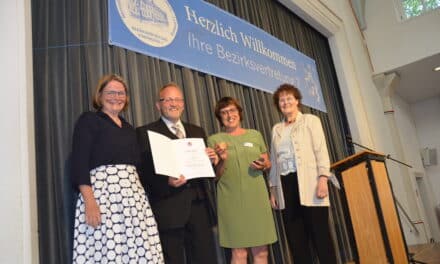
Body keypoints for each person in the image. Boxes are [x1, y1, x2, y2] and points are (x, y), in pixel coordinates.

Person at [71, 74, 164, 263]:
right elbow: (79, 163)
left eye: (120, 93)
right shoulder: (89, 120)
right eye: (110, 92)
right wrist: (90, 202)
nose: (116, 97)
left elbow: (138, 167)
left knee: (138, 250)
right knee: (108, 249)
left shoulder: (129, 129)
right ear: (100, 95)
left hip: (134, 199)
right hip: (103, 197)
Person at [136, 82, 219, 264]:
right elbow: (142, 173)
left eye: (178, 100)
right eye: (168, 100)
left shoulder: (197, 131)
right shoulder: (145, 133)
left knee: (204, 258)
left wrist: (212, 160)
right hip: (168, 208)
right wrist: (166, 182)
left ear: (183, 104)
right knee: (172, 259)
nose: (174, 104)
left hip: (199, 208)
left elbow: (206, 171)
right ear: (158, 105)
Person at [268, 83, 337, 264]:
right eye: (281, 100)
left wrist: (323, 178)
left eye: (289, 98)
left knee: (320, 236)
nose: (285, 102)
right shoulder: (276, 129)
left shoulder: (311, 120)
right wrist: (273, 188)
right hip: (286, 184)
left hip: (309, 183)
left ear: (297, 100)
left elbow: (321, 151)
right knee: (296, 239)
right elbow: (274, 161)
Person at [208, 97, 277, 264]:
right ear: (219, 117)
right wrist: (222, 159)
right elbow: (216, 175)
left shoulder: (255, 135)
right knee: (239, 254)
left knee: (261, 252)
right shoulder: (214, 140)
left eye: (232, 110)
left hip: (257, 199)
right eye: (224, 112)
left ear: (239, 113)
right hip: (231, 202)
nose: (229, 115)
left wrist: (263, 164)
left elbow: (268, 163)